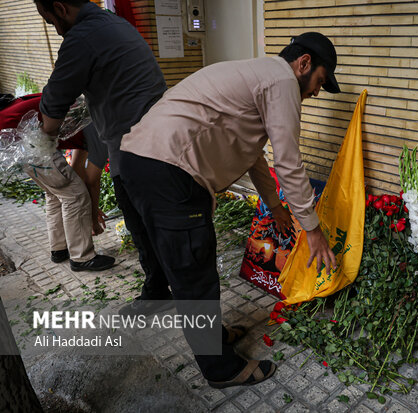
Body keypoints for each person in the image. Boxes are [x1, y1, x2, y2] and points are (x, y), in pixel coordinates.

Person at [118, 32, 341, 388]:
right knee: (195, 275)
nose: (316, 92)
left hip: (137, 161)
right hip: (169, 170)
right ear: (303, 64)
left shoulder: (257, 74)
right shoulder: (282, 81)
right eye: (319, 81)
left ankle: (213, 336)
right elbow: (288, 161)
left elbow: (254, 153)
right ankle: (220, 369)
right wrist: (312, 229)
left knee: (184, 266)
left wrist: (274, 205)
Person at [34, 0, 172, 305]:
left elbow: (53, 106)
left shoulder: (82, 37)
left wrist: (41, 140)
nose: (52, 28)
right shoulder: (115, 24)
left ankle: (174, 306)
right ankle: (160, 290)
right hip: (161, 143)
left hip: (138, 154)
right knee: (158, 231)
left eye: (49, 19)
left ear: (60, 7)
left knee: (152, 233)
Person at [0, 93, 114, 271]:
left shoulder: (87, 113)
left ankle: (59, 249)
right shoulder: (103, 130)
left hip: (17, 137)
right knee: (75, 195)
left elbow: (77, 166)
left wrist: (91, 213)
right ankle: (82, 257)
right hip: (27, 137)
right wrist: (92, 218)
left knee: (57, 192)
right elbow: (92, 180)